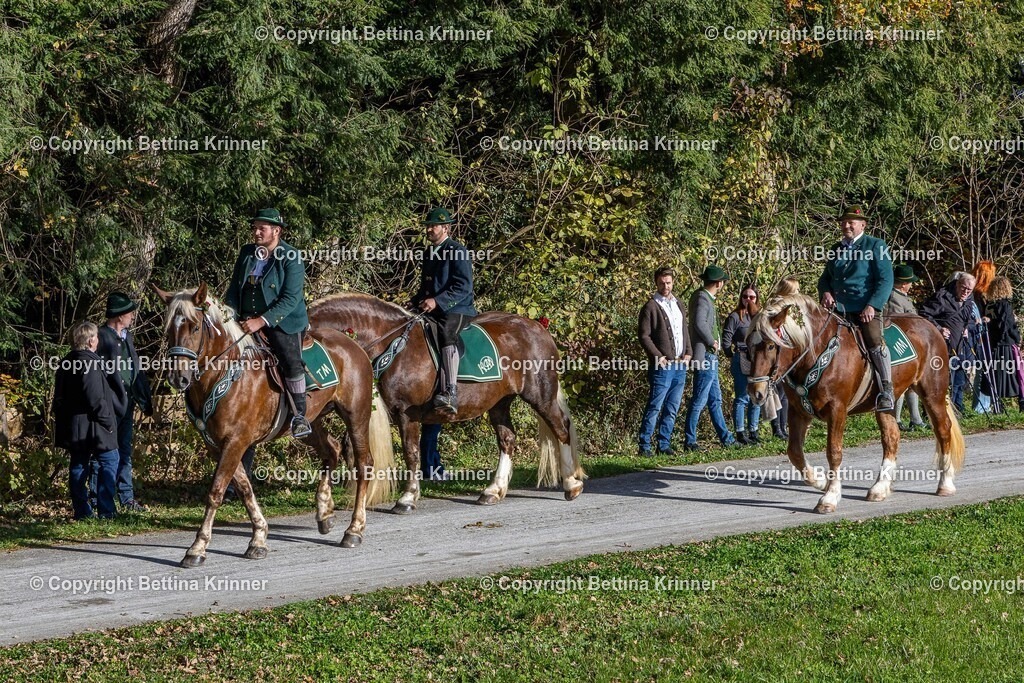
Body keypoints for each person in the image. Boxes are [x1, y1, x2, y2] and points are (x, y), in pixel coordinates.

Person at [225, 207, 311, 437]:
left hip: (284, 322)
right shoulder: (247, 252)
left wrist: (262, 321)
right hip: (244, 319)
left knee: (290, 361)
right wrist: (229, 315)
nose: (256, 232)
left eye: (261, 228)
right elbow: (234, 288)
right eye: (254, 228)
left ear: (276, 231)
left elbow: (291, 298)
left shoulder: (291, 256)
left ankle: (299, 416)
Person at [818, 205, 895, 410]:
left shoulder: (875, 245)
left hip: (865, 309)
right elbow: (825, 279)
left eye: (851, 222)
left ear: (863, 225)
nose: (846, 225)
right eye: (844, 222)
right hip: (838, 310)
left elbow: (886, 279)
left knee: (874, 340)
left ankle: (887, 388)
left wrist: (873, 306)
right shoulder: (836, 248)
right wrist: (826, 292)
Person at [53, 322, 125, 520]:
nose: (98, 340)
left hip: (75, 426)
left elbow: (60, 397)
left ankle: (82, 511)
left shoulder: (66, 362)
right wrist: (108, 421)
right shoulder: (90, 363)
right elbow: (95, 398)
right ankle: (106, 510)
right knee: (110, 461)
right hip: (96, 426)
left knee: (79, 465)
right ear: (91, 340)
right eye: (96, 337)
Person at [411, 207, 477, 415]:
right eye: (428, 226)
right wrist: (414, 302)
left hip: (459, 308)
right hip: (435, 308)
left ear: (446, 228)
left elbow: (464, 286)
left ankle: (450, 391)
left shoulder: (458, 250)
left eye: (434, 226)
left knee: (447, 331)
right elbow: (426, 288)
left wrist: (437, 301)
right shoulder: (428, 253)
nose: (429, 229)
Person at [91, 292, 153, 512]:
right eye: (130, 313)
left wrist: (143, 396)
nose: (133, 316)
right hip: (109, 406)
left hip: (128, 403)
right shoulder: (100, 337)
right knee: (103, 453)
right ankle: (97, 500)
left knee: (124, 450)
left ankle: (127, 498)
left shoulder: (127, 337)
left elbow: (135, 367)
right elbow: (96, 373)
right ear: (119, 315)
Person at [637, 266, 693, 456]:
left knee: (672, 406)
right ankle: (645, 445)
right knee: (655, 405)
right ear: (656, 283)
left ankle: (664, 443)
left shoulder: (678, 304)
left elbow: (684, 330)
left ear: (673, 282)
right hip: (663, 365)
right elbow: (644, 335)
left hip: (680, 364)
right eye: (662, 283)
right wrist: (657, 356)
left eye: (668, 282)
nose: (665, 286)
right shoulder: (651, 306)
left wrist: (689, 351)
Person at [683, 265, 736, 452]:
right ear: (719, 283)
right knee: (699, 399)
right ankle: (690, 440)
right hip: (705, 355)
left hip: (709, 356)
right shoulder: (702, 298)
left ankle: (726, 438)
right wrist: (711, 341)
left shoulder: (704, 297)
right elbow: (699, 323)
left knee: (715, 400)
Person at [919, 273, 975, 414]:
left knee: (959, 380)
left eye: (969, 290)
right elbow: (924, 314)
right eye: (963, 288)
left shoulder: (969, 299)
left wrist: (967, 328)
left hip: (960, 346)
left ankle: (957, 409)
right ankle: (933, 412)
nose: (966, 292)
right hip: (941, 347)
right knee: (940, 381)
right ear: (957, 284)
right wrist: (939, 329)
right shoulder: (942, 297)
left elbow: (969, 319)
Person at [884, 265, 926, 431]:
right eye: (910, 282)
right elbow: (899, 322)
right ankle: (897, 419)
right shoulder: (894, 297)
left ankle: (915, 418)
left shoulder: (902, 296)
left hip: (909, 342)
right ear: (903, 284)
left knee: (911, 382)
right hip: (899, 343)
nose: (911, 285)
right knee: (901, 384)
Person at [723, 284, 761, 444]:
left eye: (752, 297)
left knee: (756, 396)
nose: (748, 299)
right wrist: (731, 355)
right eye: (745, 296)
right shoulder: (735, 316)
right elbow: (726, 338)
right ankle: (740, 432)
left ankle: (754, 431)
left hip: (757, 360)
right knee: (742, 397)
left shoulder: (759, 317)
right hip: (741, 357)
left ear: (757, 299)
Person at [982, 276, 1022, 410]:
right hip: (1005, 343)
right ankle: (1008, 402)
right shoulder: (1005, 305)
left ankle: (996, 402)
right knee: (1009, 374)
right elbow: (1008, 325)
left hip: (991, 343)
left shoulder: (989, 305)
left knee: (995, 371)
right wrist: (1017, 339)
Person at [969, 261, 997, 413]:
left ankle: (982, 405)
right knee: (984, 370)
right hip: (982, 336)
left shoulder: (973, 293)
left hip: (978, 335)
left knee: (984, 370)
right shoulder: (980, 295)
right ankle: (981, 407)